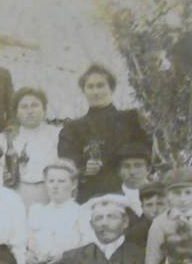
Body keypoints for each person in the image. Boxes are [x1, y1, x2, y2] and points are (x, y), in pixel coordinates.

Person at [57, 64, 151, 202]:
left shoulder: (131, 120)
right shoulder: (72, 128)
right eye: (90, 87)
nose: (96, 92)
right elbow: (67, 163)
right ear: (84, 91)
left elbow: (148, 154)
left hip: (129, 190)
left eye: (101, 86)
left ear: (111, 88)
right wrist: (84, 169)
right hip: (91, 193)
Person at [0, 87, 62, 208]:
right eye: (24, 107)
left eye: (35, 105)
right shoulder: (5, 139)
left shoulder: (58, 135)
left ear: (44, 109)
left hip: (50, 195)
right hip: (16, 195)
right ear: (16, 112)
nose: (30, 111)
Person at [26, 160, 92, 264]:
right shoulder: (37, 212)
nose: (55, 186)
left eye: (61, 181)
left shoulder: (82, 212)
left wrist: (64, 256)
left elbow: (89, 249)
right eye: (51, 181)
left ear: (73, 184)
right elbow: (26, 243)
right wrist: (28, 257)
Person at [116, 143, 153, 216]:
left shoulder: (162, 195)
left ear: (148, 169)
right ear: (119, 171)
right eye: (126, 166)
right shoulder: (113, 199)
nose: (132, 172)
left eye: (138, 166)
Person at [126, 181, 166, 249]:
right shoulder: (134, 235)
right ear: (142, 207)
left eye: (160, 204)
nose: (155, 210)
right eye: (149, 205)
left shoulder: (178, 228)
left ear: (169, 204)